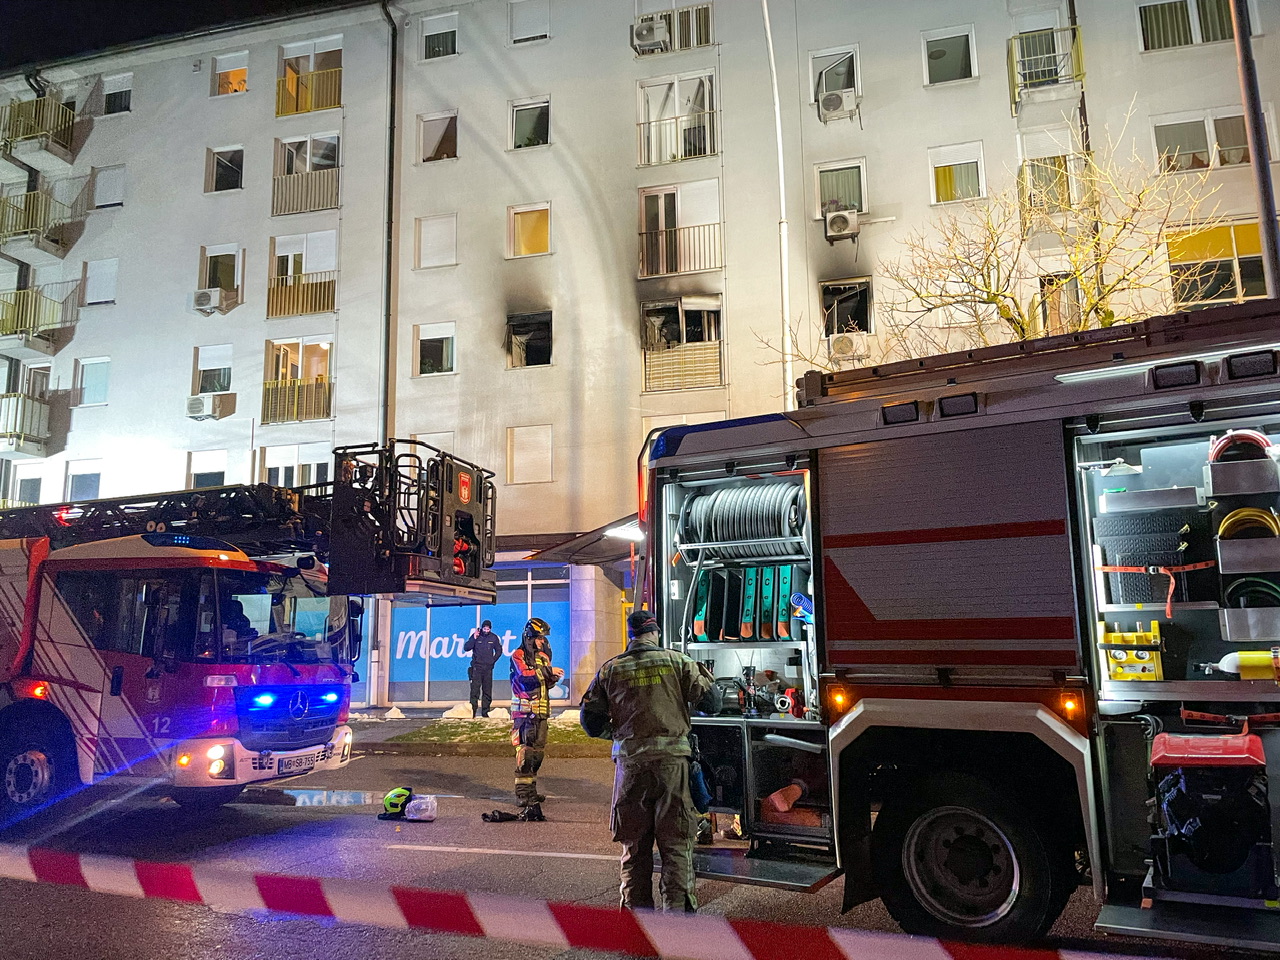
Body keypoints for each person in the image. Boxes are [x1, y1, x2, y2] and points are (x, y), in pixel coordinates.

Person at [580, 610, 713, 913]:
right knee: (676, 847)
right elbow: (711, 702)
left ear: (631, 634)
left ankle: (638, 922)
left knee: (635, 848)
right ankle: (676, 923)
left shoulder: (611, 669)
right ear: (656, 632)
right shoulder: (677, 661)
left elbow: (589, 722)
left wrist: (619, 736)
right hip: (672, 768)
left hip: (630, 770)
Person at [510, 617, 562, 811]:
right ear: (530, 637)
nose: (542, 642)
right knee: (525, 752)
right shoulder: (518, 655)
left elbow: (544, 683)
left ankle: (531, 790)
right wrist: (548, 672)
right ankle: (522, 793)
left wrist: (552, 678)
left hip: (541, 712)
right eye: (539, 638)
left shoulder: (543, 657)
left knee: (537, 754)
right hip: (524, 713)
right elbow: (524, 677)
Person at [464, 619, 503, 717]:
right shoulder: (477, 636)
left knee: (487, 690)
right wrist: (473, 637)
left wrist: (492, 660)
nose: (486, 630)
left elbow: (499, 650)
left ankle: (485, 712)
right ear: (482, 628)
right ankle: (472, 711)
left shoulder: (493, 638)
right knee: (475, 690)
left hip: (488, 668)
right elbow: (466, 647)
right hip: (477, 668)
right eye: (484, 628)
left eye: (488, 628)